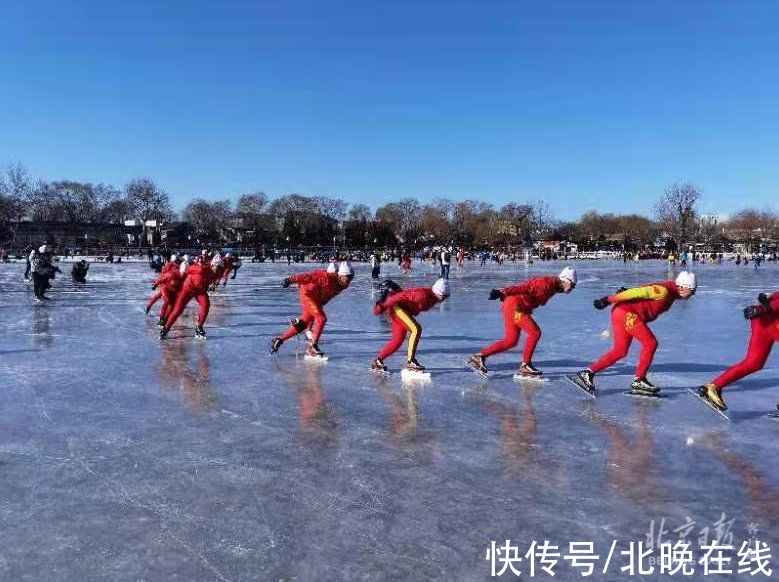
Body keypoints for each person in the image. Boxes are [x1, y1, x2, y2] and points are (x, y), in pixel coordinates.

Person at [573, 271, 698, 396]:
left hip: (621, 312)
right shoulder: (664, 291)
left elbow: (642, 290)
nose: (692, 294)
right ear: (683, 286)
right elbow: (638, 292)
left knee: (620, 351)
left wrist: (628, 292)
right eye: (692, 290)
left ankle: (586, 374)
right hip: (627, 313)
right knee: (650, 343)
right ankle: (639, 379)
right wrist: (607, 300)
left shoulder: (671, 292)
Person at [468, 267, 577, 377]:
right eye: (572, 285)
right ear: (566, 280)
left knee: (511, 341)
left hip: (514, 306)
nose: (572, 289)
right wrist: (503, 291)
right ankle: (526, 366)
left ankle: (479, 357)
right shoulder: (545, 284)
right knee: (535, 332)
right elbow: (524, 288)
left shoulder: (554, 287)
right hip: (516, 307)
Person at [698, 291, 779, 411]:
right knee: (753, 362)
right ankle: (712, 388)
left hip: (766, 321)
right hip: (765, 320)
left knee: (754, 363)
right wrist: (761, 309)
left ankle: (713, 386)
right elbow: (774, 303)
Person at [269, 262, 355, 358]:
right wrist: (291, 279)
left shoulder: (344, 285)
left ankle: (279, 340)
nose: (349, 280)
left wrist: (321, 303)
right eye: (348, 277)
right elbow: (307, 277)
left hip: (316, 299)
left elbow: (330, 295)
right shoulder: (325, 277)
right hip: (308, 295)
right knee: (321, 319)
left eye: (351, 277)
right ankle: (313, 347)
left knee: (304, 323)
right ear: (341, 275)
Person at [370, 278, 451, 373]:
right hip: (397, 308)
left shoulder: (433, 298)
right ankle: (411, 361)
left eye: (447, 297)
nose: (444, 299)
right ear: (438, 292)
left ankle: (378, 361)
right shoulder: (422, 295)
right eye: (444, 296)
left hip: (403, 311)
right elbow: (399, 296)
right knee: (416, 329)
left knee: (397, 341)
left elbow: (415, 306)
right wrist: (382, 306)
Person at [160, 255, 223, 339]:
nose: (218, 269)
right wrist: (184, 269)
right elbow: (188, 270)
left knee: (206, 306)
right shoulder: (201, 269)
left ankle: (199, 327)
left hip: (200, 291)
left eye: (220, 267)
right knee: (178, 310)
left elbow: (215, 278)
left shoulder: (218, 272)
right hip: (188, 289)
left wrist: (213, 284)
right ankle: (166, 328)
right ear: (212, 265)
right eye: (217, 267)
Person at [150, 256, 184, 327]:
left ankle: (165, 319)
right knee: (166, 300)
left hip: (174, 289)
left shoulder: (182, 272)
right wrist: (155, 284)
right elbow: (162, 277)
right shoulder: (170, 273)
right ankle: (161, 318)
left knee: (172, 304)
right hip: (165, 287)